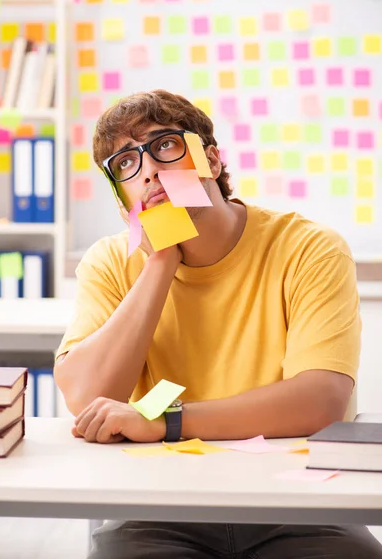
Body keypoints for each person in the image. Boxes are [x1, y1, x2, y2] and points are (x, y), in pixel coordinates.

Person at [54, 89, 382, 559]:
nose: (148, 170)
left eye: (163, 146)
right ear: (121, 191)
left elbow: (321, 399)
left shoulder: (308, 248)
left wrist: (166, 423)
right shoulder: (110, 262)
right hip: (158, 506)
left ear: (210, 158)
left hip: (298, 503)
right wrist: (162, 260)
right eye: (125, 163)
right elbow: (87, 399)